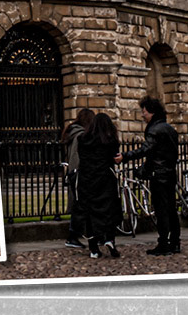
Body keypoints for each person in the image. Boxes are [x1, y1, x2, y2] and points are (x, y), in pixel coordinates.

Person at [117, 96, 180, 256]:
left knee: (161, 211)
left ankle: (163, 244)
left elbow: (146, 150)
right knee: (171, 209)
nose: (142, 115)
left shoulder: (154, 130)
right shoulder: (170, 129)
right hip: (170, 173)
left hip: (159, 176)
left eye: (144, 112)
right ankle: (175, 242)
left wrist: (125, 156)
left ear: (152, 112)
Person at [76, 111, 122, 258]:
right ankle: (109, 239)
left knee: (90, 213)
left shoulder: (82, 139)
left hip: (87, 180)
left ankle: (94, 248)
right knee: (108, 210)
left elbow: (82, 158)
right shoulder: (110, 140)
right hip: (105, 179)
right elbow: (114, 158)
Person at [61, 108, 96, 248]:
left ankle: (75, 236)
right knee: (81, 206)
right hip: (79, 174)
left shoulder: (73, 132)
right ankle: (73, 236)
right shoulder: (79, 135)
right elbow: (76, 156)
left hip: (74, 173)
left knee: (79, 206)